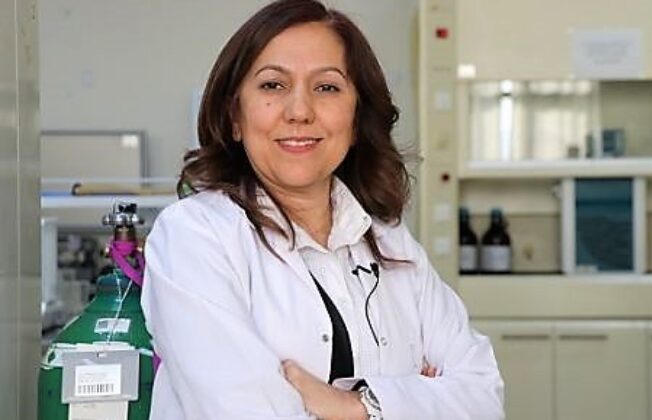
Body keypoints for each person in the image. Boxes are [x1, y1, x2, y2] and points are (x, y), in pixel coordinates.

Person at [141, 0, 505, 418]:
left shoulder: (389, 240)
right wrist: (415, 399)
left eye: (327, 87)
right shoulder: (194, 236)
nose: (299, 111)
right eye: (272, 85)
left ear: (356, 120)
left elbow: (483, 398)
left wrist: (356, 407)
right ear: (234, 116)